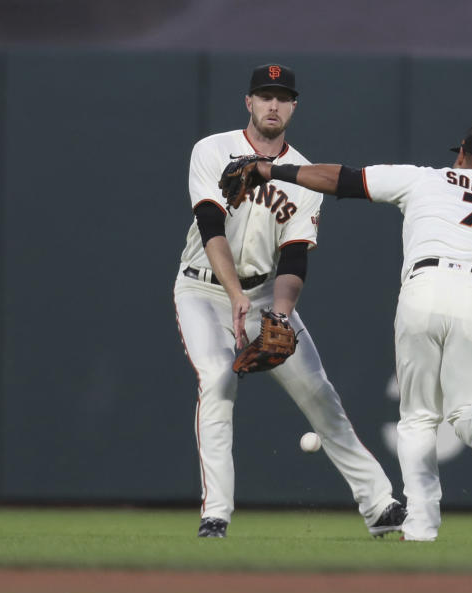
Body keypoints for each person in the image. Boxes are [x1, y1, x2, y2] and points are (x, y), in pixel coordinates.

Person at [231, 125, 472, 541]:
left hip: (423, 287)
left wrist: (272, 171)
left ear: (460, 155)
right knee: (465, 413)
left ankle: (422, 528)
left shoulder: (428, 177)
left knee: (417, 419)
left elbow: (344, 180)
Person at [172, 63, 405, 539]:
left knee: (319, 391)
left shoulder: (304, 175)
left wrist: (278, 313)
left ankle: (380, 505)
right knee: (218, 380)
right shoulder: (212, 150)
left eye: (282, 97)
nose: (273, 104)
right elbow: (210, 226)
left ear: (294, 106)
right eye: (264, 95)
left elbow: (294, 260)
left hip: (262, 294)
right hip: (202, 289)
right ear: (249, 103)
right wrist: (235, 295)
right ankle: (215, 514)